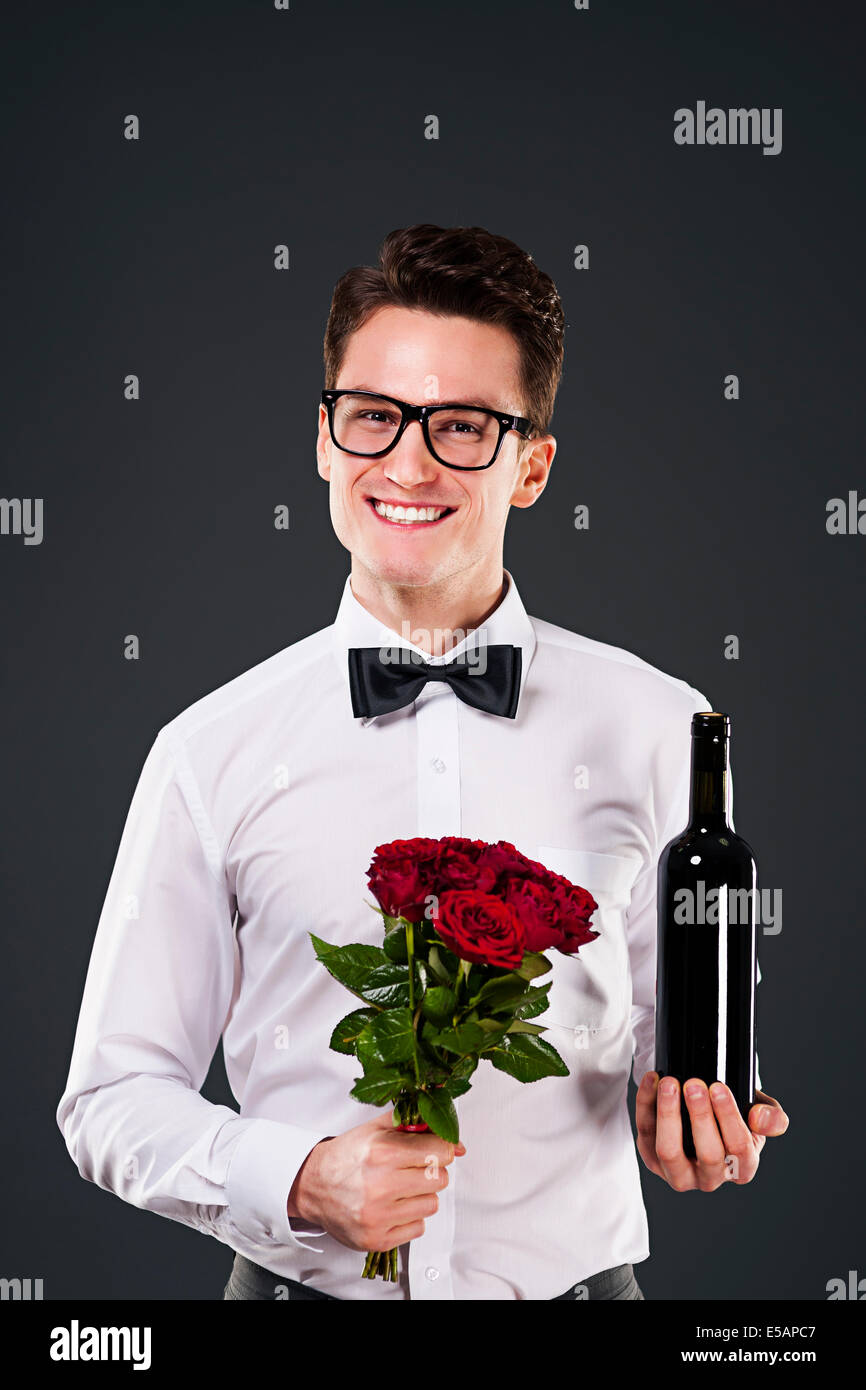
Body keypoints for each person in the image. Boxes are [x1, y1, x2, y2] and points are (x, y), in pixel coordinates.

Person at [56, 224, 788, 1302]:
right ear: (321, 439)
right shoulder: (205, 752)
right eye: (373, 418)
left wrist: (695, 1117)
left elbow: (685, 1046)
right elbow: (109, 1096)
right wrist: (295, 1177)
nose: (405, 463)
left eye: (459, 427)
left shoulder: (660, 725)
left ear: (531, 465)